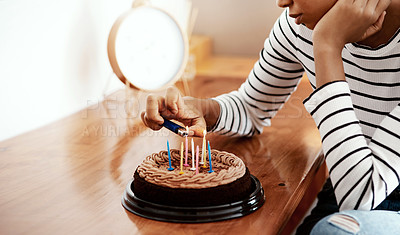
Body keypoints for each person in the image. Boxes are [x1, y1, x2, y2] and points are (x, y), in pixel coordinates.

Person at [142, 0, 400, 233]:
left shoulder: (322, 34)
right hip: (347, 177)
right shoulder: (298, 26)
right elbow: (251, 108)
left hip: (363, 190)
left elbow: (362, 197)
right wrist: (202, 109)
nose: (282, 2)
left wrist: (328, 46)